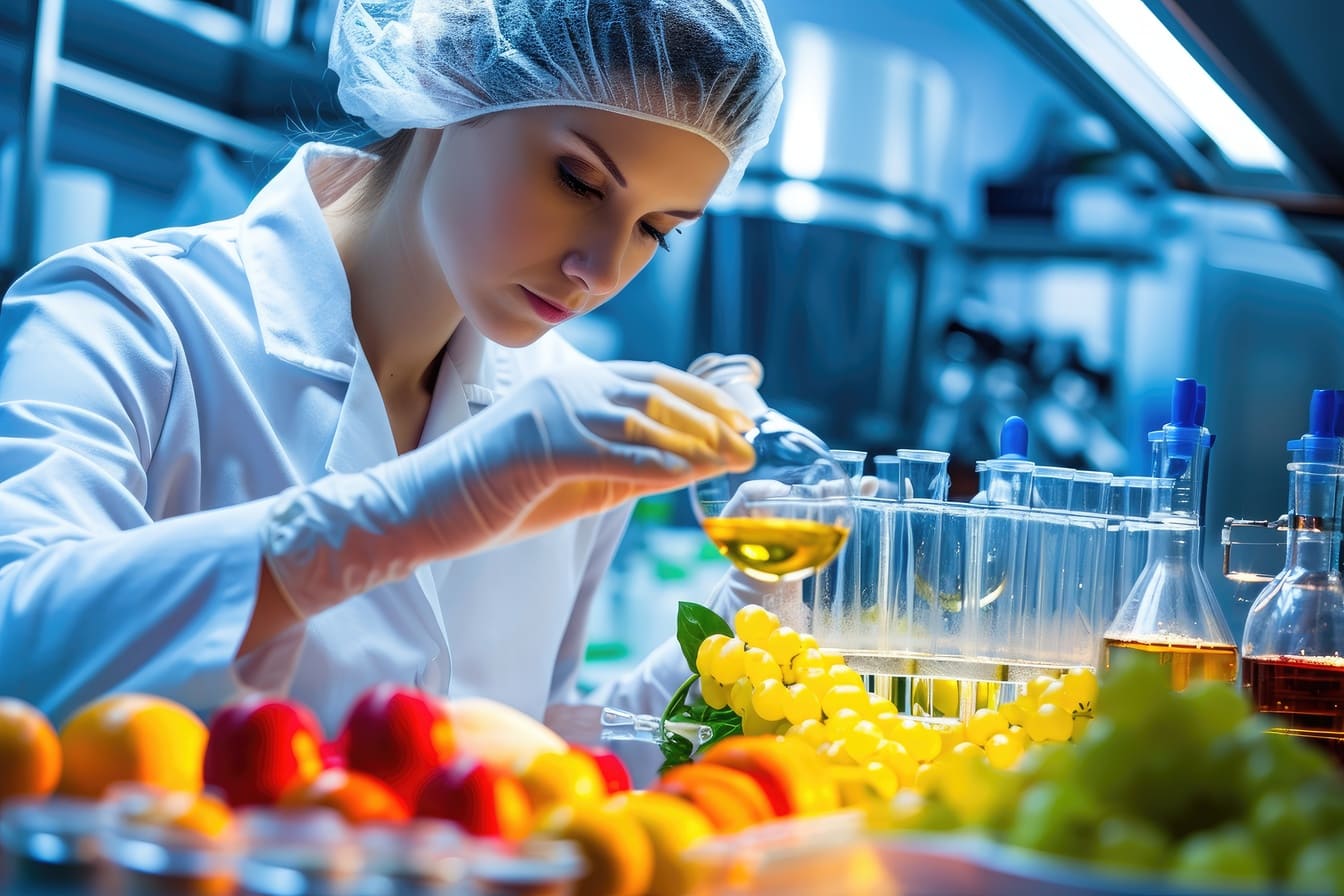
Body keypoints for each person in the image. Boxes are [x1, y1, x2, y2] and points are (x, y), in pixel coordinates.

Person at [0, 0, 786, 738]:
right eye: (577, 181)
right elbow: (19, 652)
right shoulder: (127, 316)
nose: (600, 269)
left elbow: (539, 753)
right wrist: (399, 515)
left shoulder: (565, 415)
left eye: (657, 229)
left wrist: (740, 640)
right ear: (457, 74)